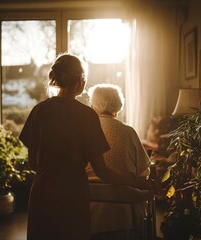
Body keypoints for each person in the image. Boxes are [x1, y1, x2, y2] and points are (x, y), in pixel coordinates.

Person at [19, 52, 154, 240]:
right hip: (72, 193)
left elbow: (32, 164)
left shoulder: (39, 111)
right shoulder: (86, 116)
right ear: (81, 81)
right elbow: (102, 172)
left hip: (42, 192)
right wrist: (134, 181)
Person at [86, 83, 152, 240]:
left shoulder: (86, 131)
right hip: (123, 209)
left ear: (93, 104)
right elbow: (143, 172)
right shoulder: (128, 132)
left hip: (90, 207)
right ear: (118, 105)